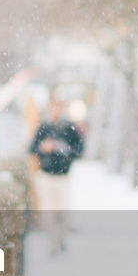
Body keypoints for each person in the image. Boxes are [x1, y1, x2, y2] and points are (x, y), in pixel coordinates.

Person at [29, 97, 84, 254]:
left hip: (63, 175)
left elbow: (79, 151)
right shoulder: (43, 127)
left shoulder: (69, 128)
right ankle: (53, 242)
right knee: (49, 211)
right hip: (46, 175)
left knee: (62, 210)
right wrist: (43, 148)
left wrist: (60, 148)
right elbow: (32, 148)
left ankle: (60, 238)